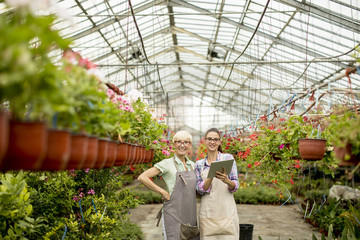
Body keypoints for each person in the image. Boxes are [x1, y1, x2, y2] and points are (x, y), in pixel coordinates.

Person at [137, 131, 199, 240]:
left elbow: (197, 191)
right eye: (178, 142)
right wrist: (163, 192)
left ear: (190, 145)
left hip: (190, 214)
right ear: (174, 144)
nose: (182, 145)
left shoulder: (193, 166)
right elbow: (142, 177)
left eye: (186, 142)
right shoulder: (167, 164)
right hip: (172, 214)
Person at [195, 128, 239, 239]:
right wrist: (210, 176)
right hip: (208, 212)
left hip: (226, 210)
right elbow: (200, 189)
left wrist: (227, 181)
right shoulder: (199, 164)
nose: (212, 142)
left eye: (215, 139)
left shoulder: (228, 158)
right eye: (209, 139)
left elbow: (235, 184)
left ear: (219, 142)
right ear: (205, 141)